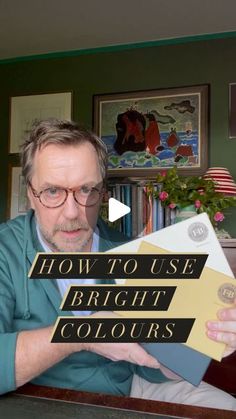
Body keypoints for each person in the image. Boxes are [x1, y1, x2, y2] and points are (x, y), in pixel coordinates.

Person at [0, 118, 236, 410]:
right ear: (31, 197)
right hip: (37, 395)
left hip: (125, 387)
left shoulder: (128, 251)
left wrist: (205, 341)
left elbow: (152, 365)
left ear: (102, 192)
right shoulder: (4, 250)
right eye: (52, 192)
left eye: (86, 189)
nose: (72, 212)